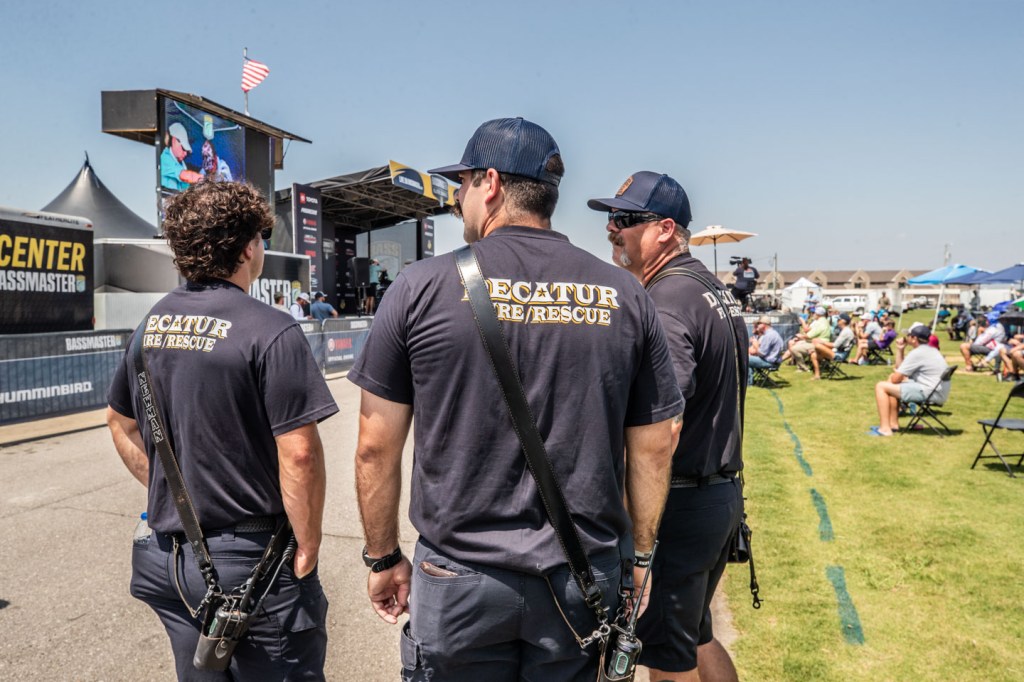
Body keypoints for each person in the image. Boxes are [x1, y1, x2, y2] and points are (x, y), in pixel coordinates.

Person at [349, 118, 682, 682]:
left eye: (462, 183)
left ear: (492, 183)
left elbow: (374, 447)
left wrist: (383, 556)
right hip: (581, 577)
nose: (457, 198)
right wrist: (641, 559)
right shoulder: (625, 294)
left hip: (460, 580)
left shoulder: (420, 287)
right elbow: (655, 446)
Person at [105, 181, 338, 679]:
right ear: (248, 248)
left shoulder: (150, 326)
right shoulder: (271, 329)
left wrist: (179, 495)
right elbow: (299, 454)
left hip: (169, 560)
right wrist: (309, 544)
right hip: (251, 561)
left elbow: (119, 423)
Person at [590, 170, 746, 682]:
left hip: (676, 504)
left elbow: (663, 427)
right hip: (716, 495)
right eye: (611, 218)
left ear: (664, 230)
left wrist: (636, 530)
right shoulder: (706, 287)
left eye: (625, 219)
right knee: (694, 638)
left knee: (664, 657)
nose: (612, 229)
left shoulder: (666, 300)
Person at [869, 325, 949, 436]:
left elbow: (896, 378)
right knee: (890, 380)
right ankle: (893, 424)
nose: (906, 337)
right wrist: (900, 349)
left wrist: (897, 375)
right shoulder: (931, 350)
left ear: (914, 338)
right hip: (937, 391)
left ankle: (885, 429)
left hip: (930, 393)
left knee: (880, 386)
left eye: (909, 335)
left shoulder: (917, 353)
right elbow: (900, 371)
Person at [811, 312, 855, 379]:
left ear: (843, 321)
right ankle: (817, 375)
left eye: (839, 319)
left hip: (840, 355)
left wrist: (821, 342)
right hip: (837, 352)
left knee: (817, 345)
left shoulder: (846, 332)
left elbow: (834, 345)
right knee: (813, 355)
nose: (837, 320)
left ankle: (818, 373)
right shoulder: (845, 330)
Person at [160, 122, 202, 191]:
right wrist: (203, 179)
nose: (185, 153)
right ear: (174, 141)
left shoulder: (182, 164)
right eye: (183, 148)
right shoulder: (165, 158)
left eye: (186, 151)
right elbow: (183, 175)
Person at [748, 315, 784, 385]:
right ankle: (749, 382)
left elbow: (762, 353)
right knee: (747, 359)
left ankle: (748, 383)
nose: (757, 326)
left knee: (745, 359)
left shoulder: (768, 335)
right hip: (772, 361)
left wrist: (755, 344)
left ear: (763, 325)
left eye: (759, 324)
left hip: (769, 362)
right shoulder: (772, 333)